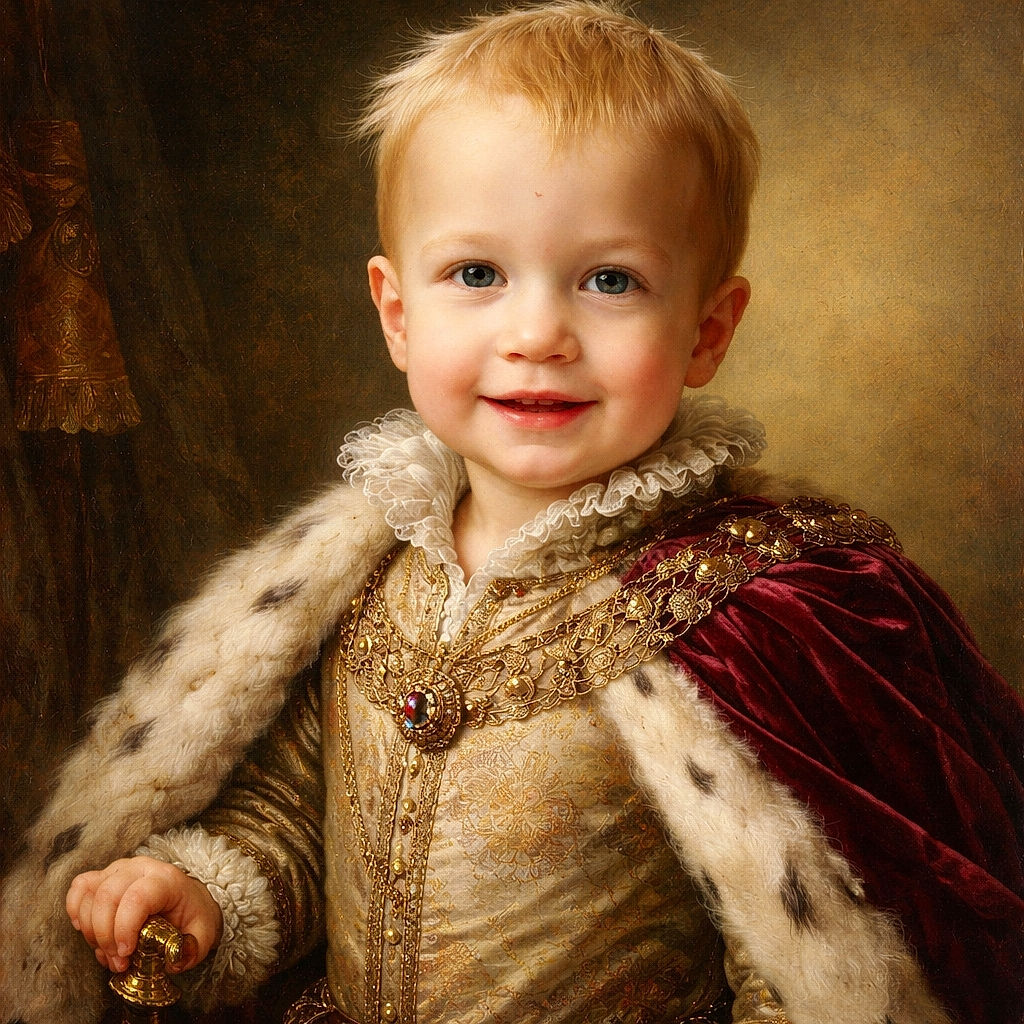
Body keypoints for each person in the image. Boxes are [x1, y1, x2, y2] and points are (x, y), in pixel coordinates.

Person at [2, 3, 1021, 1024]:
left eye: (609, 280)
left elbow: (793, 948)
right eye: (477, 274)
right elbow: (299, 826)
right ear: (397, 312)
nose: (537, 333)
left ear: (707, 330)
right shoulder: (365, 576)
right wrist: (205, 895)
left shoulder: (739, 611)